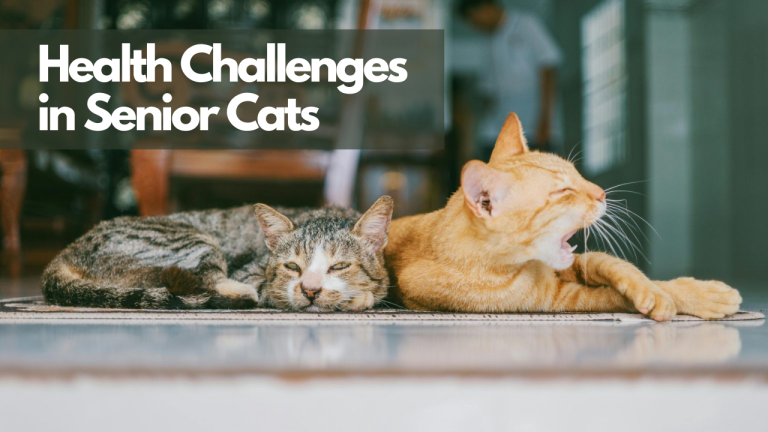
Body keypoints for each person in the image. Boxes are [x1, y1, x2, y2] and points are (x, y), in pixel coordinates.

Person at [458, 0, 562, 158]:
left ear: (486, 7)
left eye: (475, 19)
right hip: (501, 127)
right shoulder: (489, 43)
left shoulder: (526, 25)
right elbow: (488, 92)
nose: (477, 26)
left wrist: (545, 121)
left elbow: (548, 67)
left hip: (534, 125)